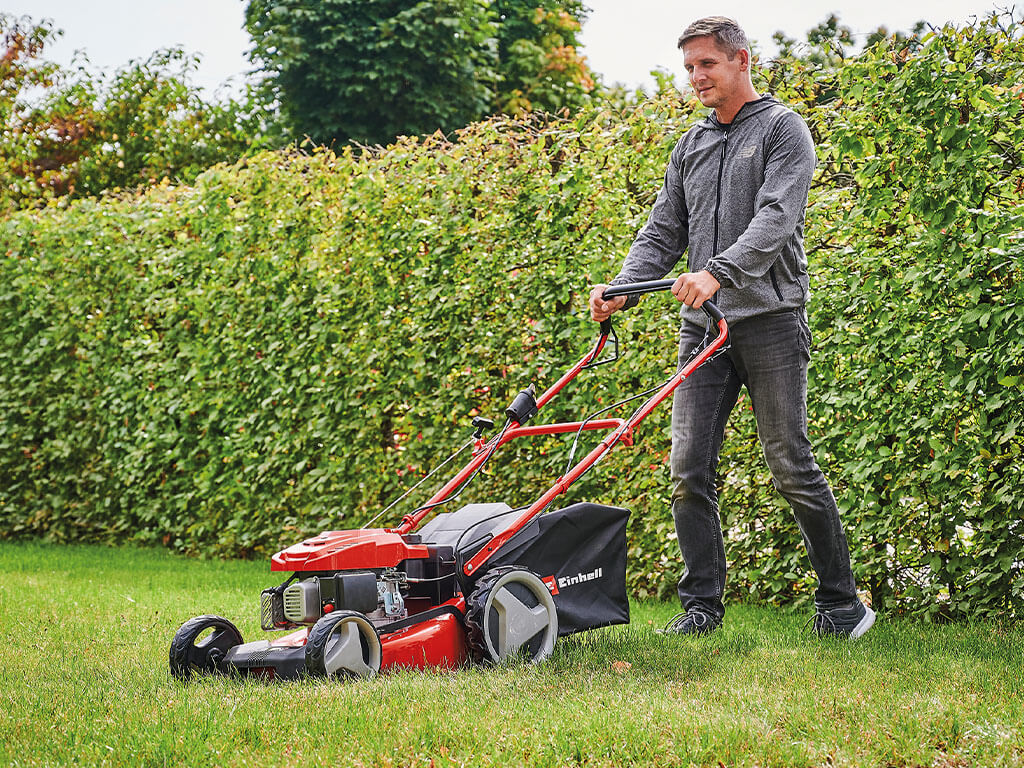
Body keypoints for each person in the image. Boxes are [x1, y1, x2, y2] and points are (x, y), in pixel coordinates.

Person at [588, 16, 874, 639]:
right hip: (703, 330)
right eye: (689, 67)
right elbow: (664, 230)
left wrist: (717, 271)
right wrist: (621, 290)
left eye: (706, 65)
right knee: (688, 467)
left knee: (789, 462)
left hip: (770, 321)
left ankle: (842, 604)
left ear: (740, 60)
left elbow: (776, 220)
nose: (696, 78)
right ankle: (701, 609)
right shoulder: (690, 146)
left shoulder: (782, 130)